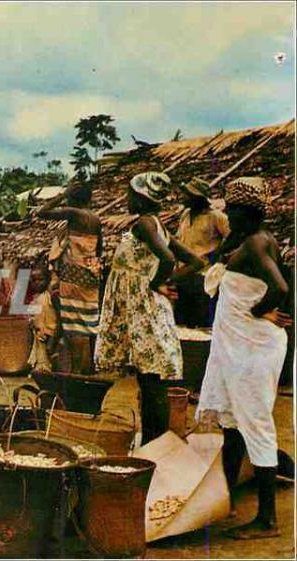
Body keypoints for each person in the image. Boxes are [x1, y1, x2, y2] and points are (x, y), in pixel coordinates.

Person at [195, 177, 291, 540]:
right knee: (233, 423)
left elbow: (280, 288)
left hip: (252, 347)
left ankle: (267, 520)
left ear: (246, 212)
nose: (227, 216)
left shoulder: (255, 244)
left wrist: (260, 312)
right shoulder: (250, 239)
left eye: (232, 210)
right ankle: (225, 496)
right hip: (239, 347)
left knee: (256, 425)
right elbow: (224, 259)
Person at [95, 172, 205, 444]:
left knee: (152, 381)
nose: (127, 198)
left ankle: (155, 444)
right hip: (144, 308)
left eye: (131, 193)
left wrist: (156, 283)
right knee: (149, 379)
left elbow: (168, 258)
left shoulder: (144, 224)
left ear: (142, 197)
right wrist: (161, 281)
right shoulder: (158, 226)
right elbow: (194, 261)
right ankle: (153, 441)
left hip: (143, 309)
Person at [37, 181, 102, 376]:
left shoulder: (75, 214)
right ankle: (85, 371)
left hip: (74, 277)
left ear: (73, 199)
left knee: (75, 329)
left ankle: (78, 374)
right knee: (86, 326)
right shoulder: (95, 219)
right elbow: (99, 251)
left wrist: (62, 195)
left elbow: (42, 212)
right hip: (90, 275)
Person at [173, 177, 231, 327]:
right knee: (181, 321)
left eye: (188, 195)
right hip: (183, 274)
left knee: (201, 321)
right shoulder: (185, 215)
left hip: (202, 276)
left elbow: (232, 238)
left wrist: (218, 256)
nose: (185, 198)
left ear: (197, 197)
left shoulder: (216, 217)